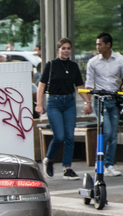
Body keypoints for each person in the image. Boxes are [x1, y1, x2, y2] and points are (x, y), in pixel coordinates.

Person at [36, 38, 89, 180]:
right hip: (54, 102)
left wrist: (87, 102)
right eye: (63, 48)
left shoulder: (73, 66)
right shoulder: (51, 65)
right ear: (58, 50)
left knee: (70, 137)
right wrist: (39, 104)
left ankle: (67, 168)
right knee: (59, 136)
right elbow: (41, 85)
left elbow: (79, 87)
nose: (66, 51)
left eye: (68, 48)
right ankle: (48, 159)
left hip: (69, 103)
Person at [84, 32, 123, 177]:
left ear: (108, 45)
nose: (97, 47)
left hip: (114, 100)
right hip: (100, 101)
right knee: (106, 132)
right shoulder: (93, 62)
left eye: (100, 44)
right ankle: (101, 163)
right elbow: (89, 84)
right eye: (97, 44)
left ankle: (110, 164)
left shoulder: (120, 60)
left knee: (113, 134)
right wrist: (88, 102)